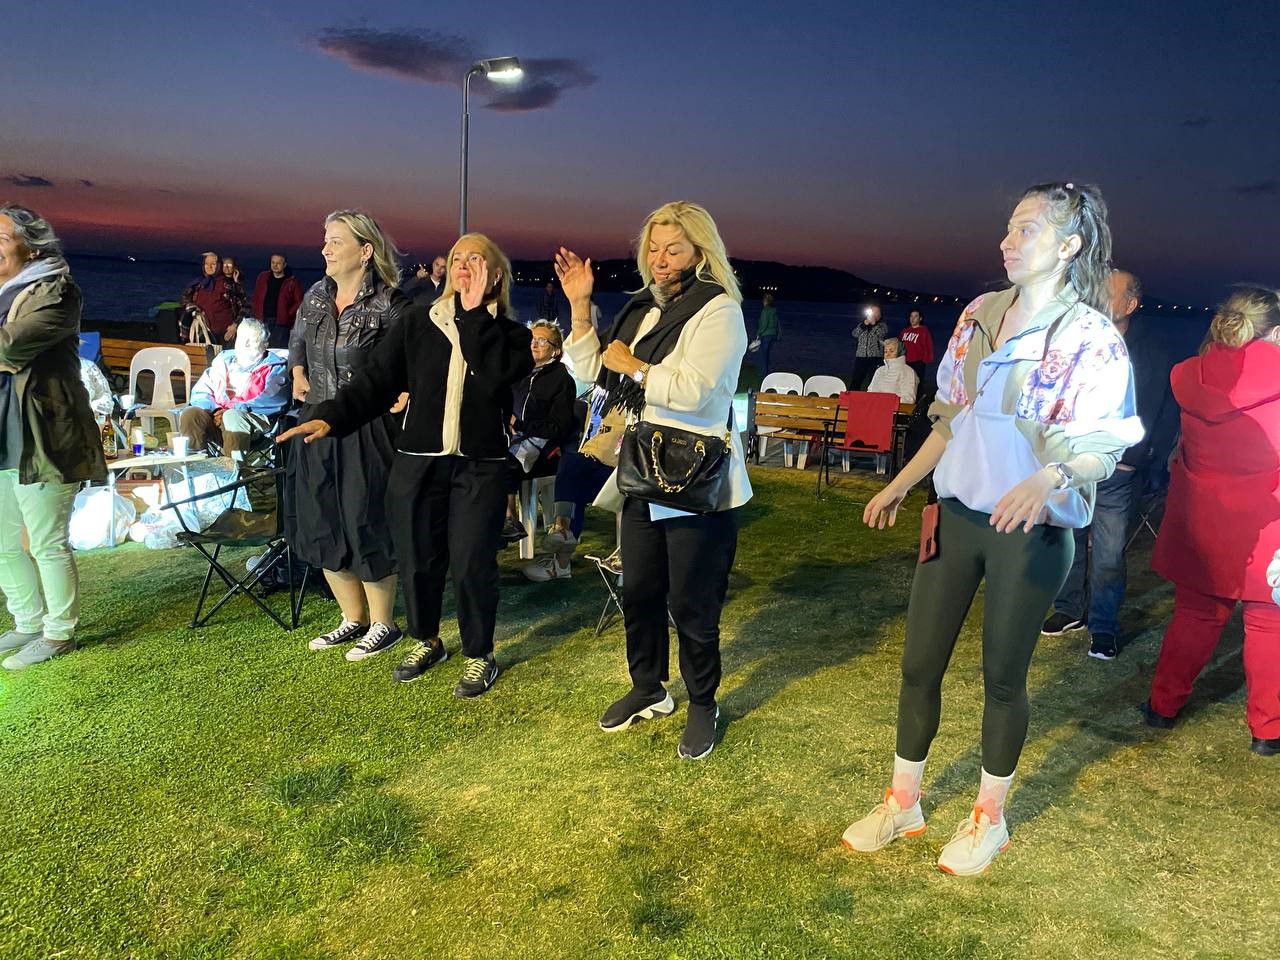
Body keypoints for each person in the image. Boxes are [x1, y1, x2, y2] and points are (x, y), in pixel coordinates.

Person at [843, 182, 1141, 875]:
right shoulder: (978, 314)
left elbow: (1105, 445)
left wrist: (1050, 478)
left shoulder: (1089, 338)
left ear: (1069, 247)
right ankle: (904, 802)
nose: (1008, 242)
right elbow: (950, 418)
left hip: (1029, 533)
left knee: (1003, 678)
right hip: (955, 519)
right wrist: (900, 483)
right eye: (1008, 228)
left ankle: (990, 819)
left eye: (1028, 231)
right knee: (919, 666)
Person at [280, 232, 532, 697]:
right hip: (418, 461)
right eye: (458, 257)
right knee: (417, 557)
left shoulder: (514, 336)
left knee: (473, 561)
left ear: (495, 275)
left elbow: (495, 377)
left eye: (477, 260)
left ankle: (479, 653)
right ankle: (426, 639)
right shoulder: (418, 322)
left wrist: (475, 314)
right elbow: (375, 382)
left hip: (481, 465)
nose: (464, 265)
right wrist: (329, 417)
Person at [557, 200, 753, 761]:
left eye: (674, 248)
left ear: (700, 252)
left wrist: (635, 367)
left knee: (693, 600)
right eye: (653, 247)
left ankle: (701, 702)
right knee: (639, 588)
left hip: (694, 475)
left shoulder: (719, 311)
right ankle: (648, 688)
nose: (661, 259)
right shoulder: (641, 308)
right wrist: (579, 307)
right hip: (642, 468)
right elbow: (589, 371)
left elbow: (698, 390)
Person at [1142, 286, 1280, 757]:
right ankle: (1267, 729)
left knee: (1195, 616)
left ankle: (1163, 706)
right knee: (1268, 626)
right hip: (1267, 520)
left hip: (1202, 519)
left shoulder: (1190, 375)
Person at [283, 210, 408, 665]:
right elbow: (297, 336)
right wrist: (297, 369)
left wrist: (407, 387)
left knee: (364, 515)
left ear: (365, 251)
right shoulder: (316, 295)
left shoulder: (392, 304)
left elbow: (409, 355)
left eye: (335, 242)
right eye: (325, 241)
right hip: (315, 417)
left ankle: (383, 623)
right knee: (321, 516)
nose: (325, 249)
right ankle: (351, 617)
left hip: (367, 424)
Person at [1043, 268, 1178, 659]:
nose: (1098, 298)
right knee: (1068, 541)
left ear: (1131, 304)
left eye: (1108, 292)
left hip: (1119, 469)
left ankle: (1103, 626)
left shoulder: (1150, 350)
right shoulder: (1080, 340)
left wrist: (1143, 458)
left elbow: (1160, 410)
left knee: (1108, 552)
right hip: (1074, 462)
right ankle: (1070, 610)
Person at [0, 204, 107, 670]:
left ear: (32, 245)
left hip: (44, 431)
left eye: (1, 237)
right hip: (4, 431)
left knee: (46, 541)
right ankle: (26, 620)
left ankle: (58, 632)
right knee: (2, 541)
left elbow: (12, 345)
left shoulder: (57, 290)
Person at [501, 321, 577, 558]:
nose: (534, 343)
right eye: (532, 338)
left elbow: (559, 427)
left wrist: (521, 425)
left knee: (502, 461)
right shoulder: (518, 373)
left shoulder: (562, 380)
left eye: (542, 340)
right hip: (511, 439)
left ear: (556, 351)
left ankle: (509, 518)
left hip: (545, 451)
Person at [179, 318, 290, 459]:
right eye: (242, 338)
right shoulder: (223, 361)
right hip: (217, 418)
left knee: (232, 416)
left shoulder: (276, 368)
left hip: (254, 427)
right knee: (191, 414)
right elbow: (200, 392)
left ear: (265, 345)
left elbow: (273, 400)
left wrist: (234, 409)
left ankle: (232, 475)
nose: (245, 343)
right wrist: (214, 409)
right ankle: (196, 471)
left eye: (252, 340)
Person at [181, 251, 243, 344]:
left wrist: (235, 325)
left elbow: (245, 307)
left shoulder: (229, 285)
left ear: (219, 265)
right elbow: (184, 301)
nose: (209, 267)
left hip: (225, 334)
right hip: (202, 333)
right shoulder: (198, 284)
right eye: (206, 263)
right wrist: (192, 308)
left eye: (213, 264)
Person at [251, 253, 304, 349]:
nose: (275, 265)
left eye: (278, 263)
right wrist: (255, 312)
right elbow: (256, 296)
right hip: (262, 320)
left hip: (280, 323)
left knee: (279, 349)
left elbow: (299, 301)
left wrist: (288, 314)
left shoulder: (291, 281)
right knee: (261, 348)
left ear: (284, 265)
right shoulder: (263, 277)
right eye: (273, 262)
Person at [867, 337, 918, 403]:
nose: (887, 354)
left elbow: (909, 399)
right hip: (873, 407)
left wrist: (885, 401)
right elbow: (869, 392)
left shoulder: (908, 371)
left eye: (891, 351)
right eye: (885, 351)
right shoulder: (880, 370)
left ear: (900, 352)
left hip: (894, 411)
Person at [851, 305, 888, 390]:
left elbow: (882, 333)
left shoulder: (882, 326)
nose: (874, 314)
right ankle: (852, 400)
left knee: (875, 382)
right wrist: (864, 324)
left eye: (876, 312)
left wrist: (874, 324)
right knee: (856, 380)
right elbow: (854, 334)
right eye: (872, 312)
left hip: (875, 358)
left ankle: (875, 400)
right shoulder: (862, 324)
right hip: (861, 357)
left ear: (880, 315)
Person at [899, 309, 934, 389]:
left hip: (918, 361)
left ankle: (918, 398)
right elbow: (900, 344)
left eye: (915, 316)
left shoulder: (924, 330)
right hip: (905, 361)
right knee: (906, 380)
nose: (913, 318)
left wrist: (925, 360)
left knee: (917, 381)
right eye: (911, 316)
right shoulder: (905, 331)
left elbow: (928, 345)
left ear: (920, 319)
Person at [756, 292, 780, 377]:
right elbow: (777, 323)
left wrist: (758, 333)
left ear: (766, 301)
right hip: (772, 335)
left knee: (763, 355)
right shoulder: (774, 311)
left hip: (765, 335)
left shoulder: (765, 311)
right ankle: (768, 372)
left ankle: (763, 374)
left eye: (763, 300)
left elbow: (764, 324)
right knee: (768, 354)